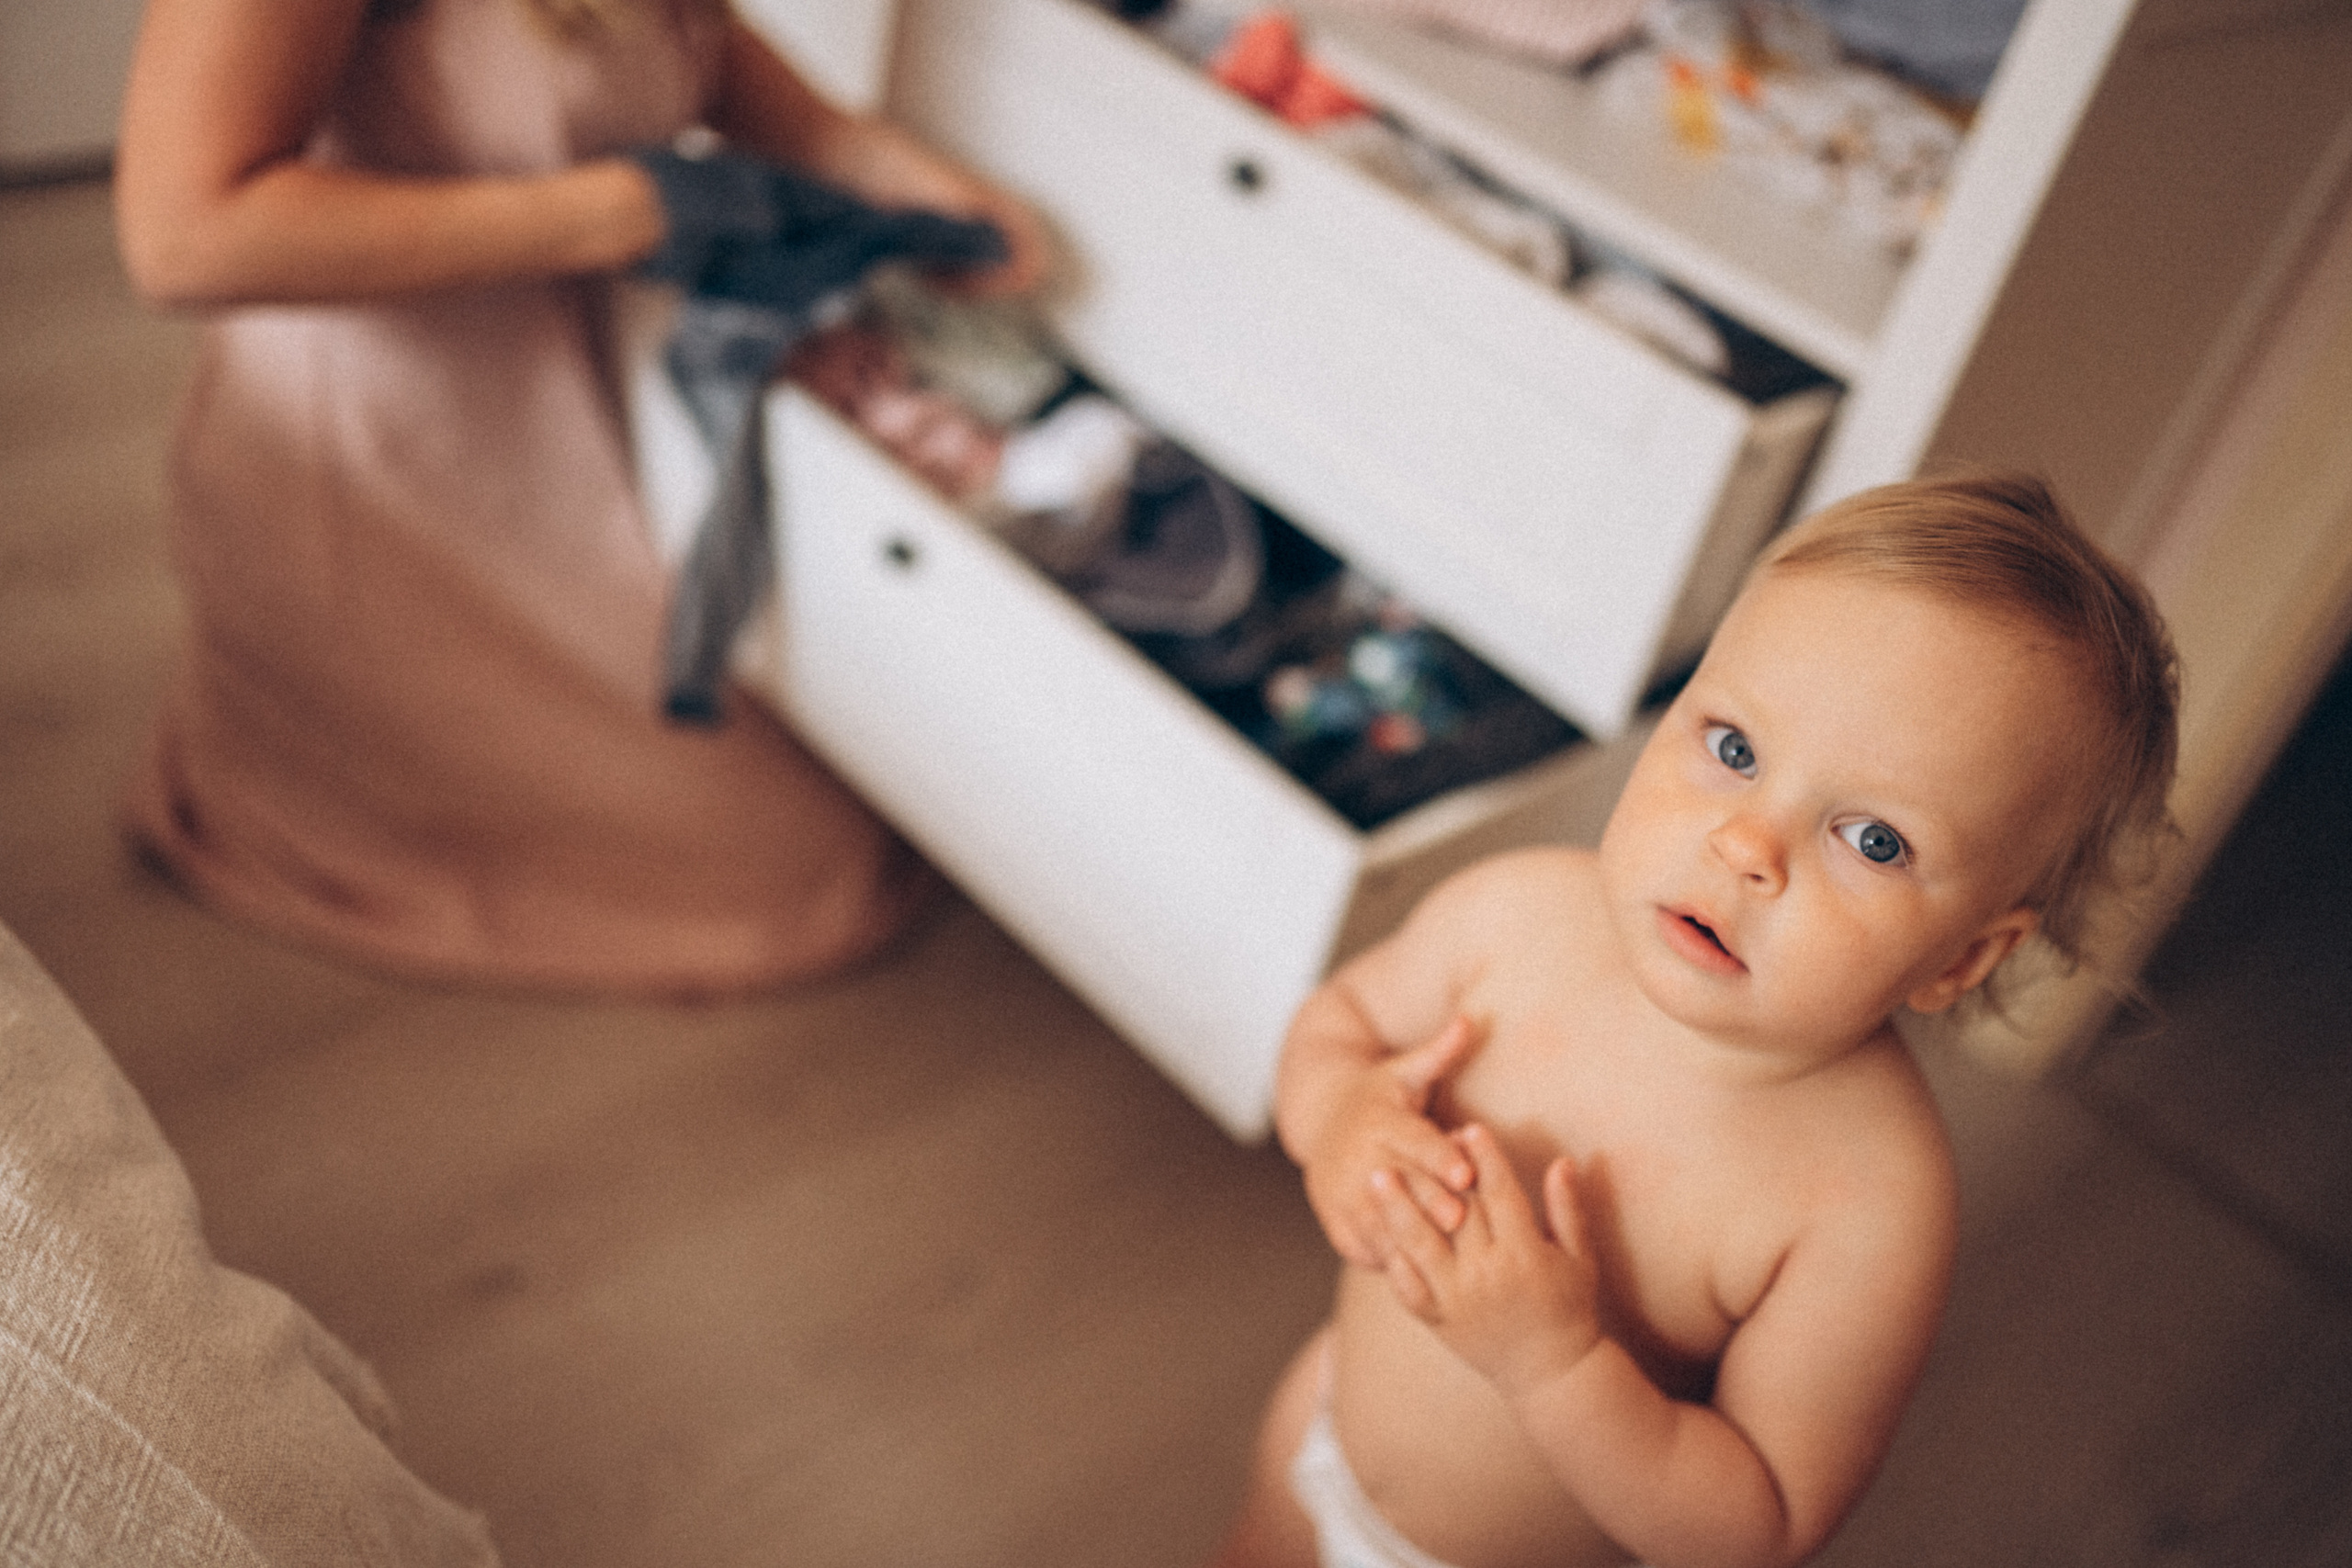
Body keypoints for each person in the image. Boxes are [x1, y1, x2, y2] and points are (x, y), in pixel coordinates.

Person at [1213, 471, 2179, 1568]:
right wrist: (1338, 1116)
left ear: (1963, 955)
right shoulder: (1513, 913)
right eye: (1732, 749)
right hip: (1332, 1420)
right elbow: (1336, 1023)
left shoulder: (1862, 1202)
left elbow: (1761, 1523)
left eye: (1870, 840)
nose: (1747, 847)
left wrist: (1555, 1364)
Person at [109, 0, 1050, 993]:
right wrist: (626, 211)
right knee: (795, 879)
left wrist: (874, 167)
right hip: (392, 458)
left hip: (570, 406)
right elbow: (182, 239)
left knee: (852, 815)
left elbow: (691, 40)